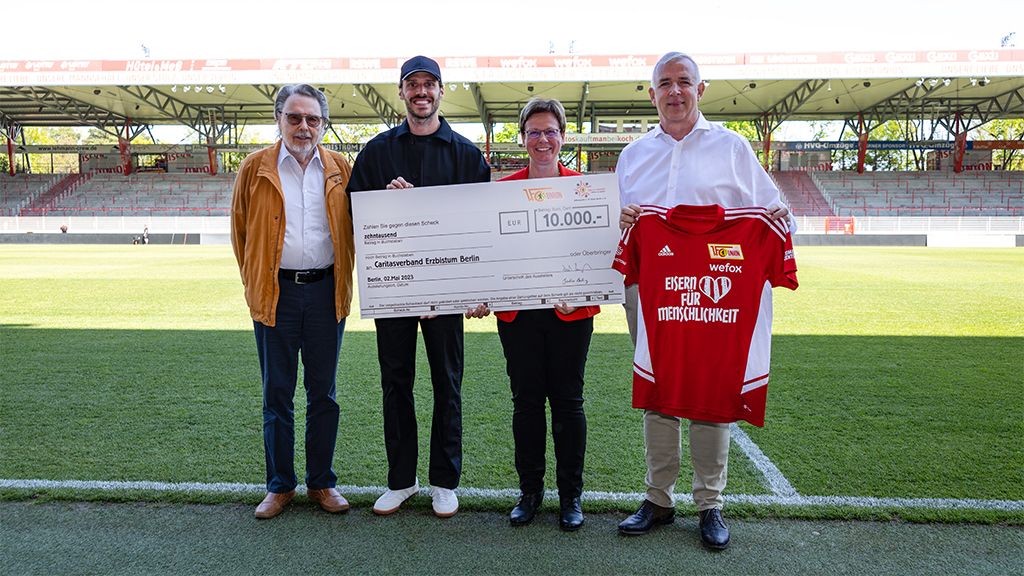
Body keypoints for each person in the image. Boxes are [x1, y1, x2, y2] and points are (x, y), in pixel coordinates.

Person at [615, 52, 792, 549]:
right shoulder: (632, 156)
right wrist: (625, 224)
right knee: (657, 389)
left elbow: (780, 216)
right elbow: (615, 231)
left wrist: (774, 220)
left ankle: (710, 504)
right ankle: (658, 498)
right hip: (650, 293)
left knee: (712, 396)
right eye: (664, 84)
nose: (675, 92)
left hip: (715, 297)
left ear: (701, 89)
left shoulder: (732, 148)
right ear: (651, 94)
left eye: (684, 82)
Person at [346, 56, 490, 518]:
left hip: (446, 296)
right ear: (402, 92)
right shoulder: (376, 151)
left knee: (448, 384)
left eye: (429, 84)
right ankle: (402, 480)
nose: (421, 92)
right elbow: (353, 213)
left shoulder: (467, 155)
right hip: (396, 291)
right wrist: (384, 204)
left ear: (441, 91)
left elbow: (482, 228)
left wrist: (466, 289)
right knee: (396, 384)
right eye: (413, 85)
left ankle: (444, 481)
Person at [467, 98, 597, 531]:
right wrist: (482, 294)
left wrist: (582, 297)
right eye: (534, 132)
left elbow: (598, 258)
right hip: (518, 315)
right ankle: (530, 492)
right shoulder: (502, 191)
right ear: (523, 139)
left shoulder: (588, 190)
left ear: (563, 136)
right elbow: (488, 253)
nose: (543, 139)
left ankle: (570, 496)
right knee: (525, 403)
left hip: (570, 316)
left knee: (568, 402)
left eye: (551, 131)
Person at [230, 83, 356, 520]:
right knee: (276, 394)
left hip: (325, 293)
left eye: (313, 119)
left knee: (324, 394)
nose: (304, 127)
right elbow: (241, 234)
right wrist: (256, 285)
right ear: (279, 119)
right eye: (295, 117)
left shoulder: (341, 167)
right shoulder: (254, 168)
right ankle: (279, 486)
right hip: (275, 295)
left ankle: (322, 482)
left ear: (323, 123)